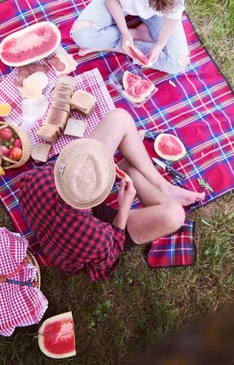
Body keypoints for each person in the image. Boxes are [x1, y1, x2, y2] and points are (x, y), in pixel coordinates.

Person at [19, 109, 205, 281]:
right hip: (93, 232)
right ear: (102, 191)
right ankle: (131, 170)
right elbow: (109, 255)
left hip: (68, 209)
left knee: (119, 118)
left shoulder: (36, 177)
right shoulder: (96, 239)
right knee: (174, 215)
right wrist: (124, 208)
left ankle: (162, 186)